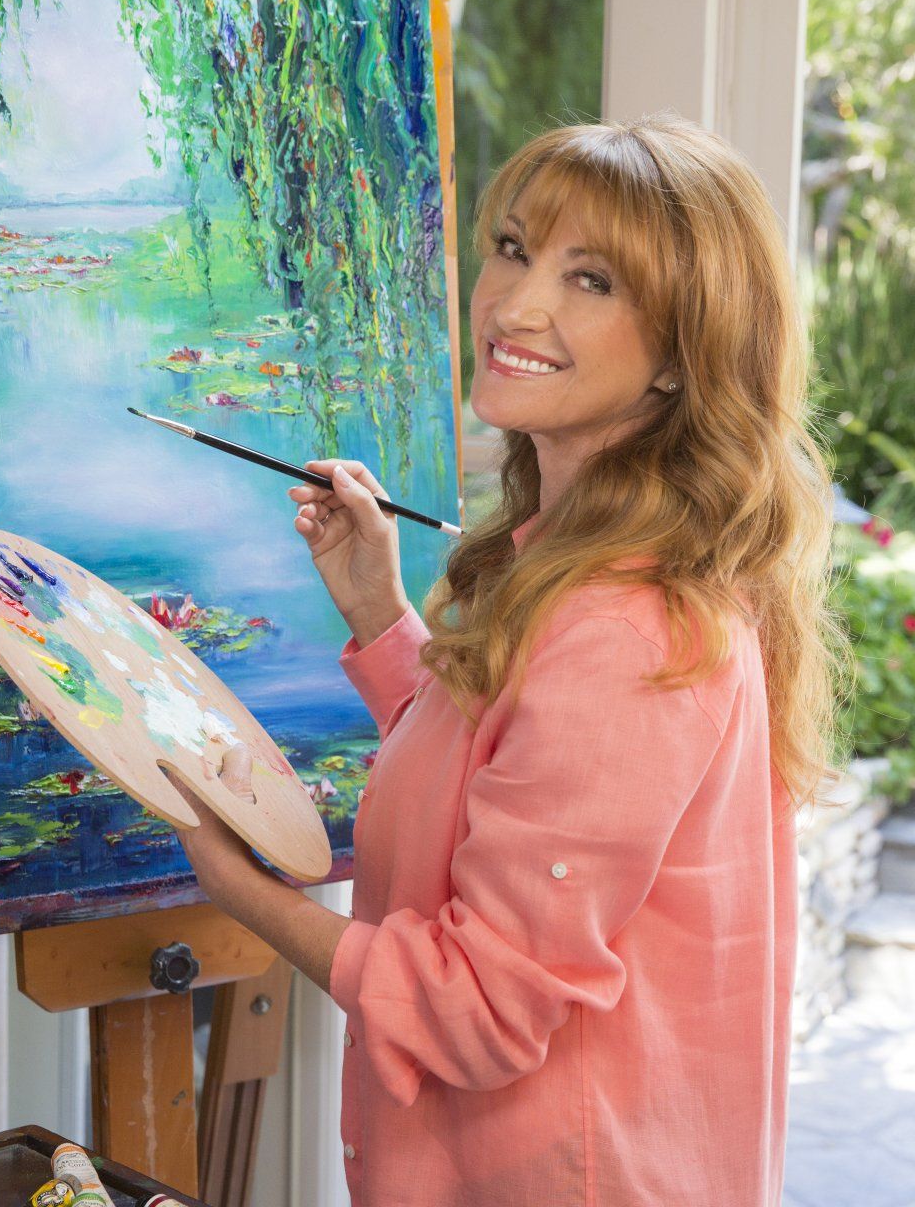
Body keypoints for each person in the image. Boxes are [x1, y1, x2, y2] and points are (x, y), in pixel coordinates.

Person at [170, 115, 838, 1206]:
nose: (517, 306)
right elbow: (510, 795)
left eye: (593, 280)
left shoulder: (629, 629)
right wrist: (383, 616)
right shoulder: (581, 571)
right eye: (517, 249)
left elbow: (473, 1005)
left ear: (683, 354)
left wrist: (241, 892)